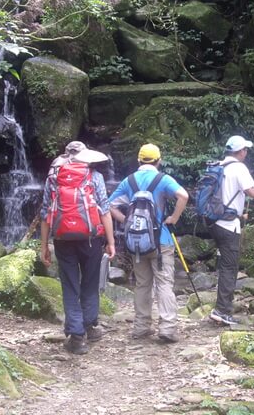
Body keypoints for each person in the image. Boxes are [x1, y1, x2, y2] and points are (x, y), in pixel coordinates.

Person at [108, 143, 189, 343]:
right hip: (161, 240)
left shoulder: (130, 180)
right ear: (159, 161)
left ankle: (141, 326)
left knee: (142, 284)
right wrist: (174, 218)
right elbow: (183, 195)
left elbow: (109, 205)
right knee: (164, 283)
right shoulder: (163, 179)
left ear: (139, 161)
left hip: (136, 242)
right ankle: (167, 327)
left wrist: (126, 222)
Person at [40, 146, 116, 355]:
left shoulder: (53, 177)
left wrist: (44, 245)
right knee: (91, 282)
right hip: (91, 238)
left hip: (63, 238)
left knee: (70, 285)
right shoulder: (95, 176)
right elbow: (105, 211)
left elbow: (46, 212)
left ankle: (76, 336)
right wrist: (111, 241)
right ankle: (90, 326)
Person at [209, 135, 254, 325]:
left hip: (215, 223)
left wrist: (239, 215)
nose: (246, 153)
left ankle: (220, 306)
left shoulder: (218, 166)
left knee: (223, 264)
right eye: (245, 150)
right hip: (228, 227)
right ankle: (222, 310)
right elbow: (252, 192)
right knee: (229, 268)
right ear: (240, 151)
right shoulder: (238, 168)